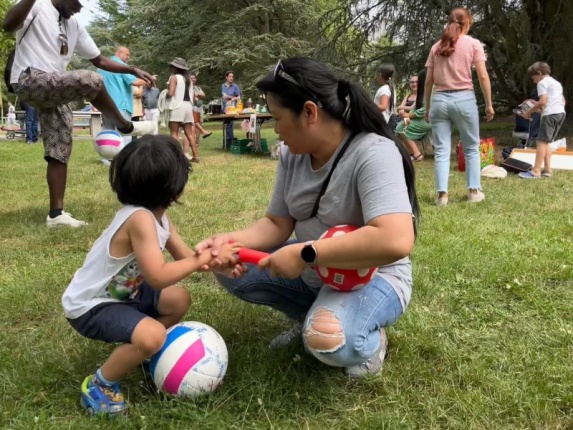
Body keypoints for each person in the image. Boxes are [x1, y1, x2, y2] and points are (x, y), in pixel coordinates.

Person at [195, 57, 419, 378]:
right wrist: (228, 242)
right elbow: (277, 223)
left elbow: (395, 239)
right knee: (230, 269)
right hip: (317, 273)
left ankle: (366, 338)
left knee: (328, 341)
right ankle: (315, 316)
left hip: (371, 278)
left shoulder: (373, 152)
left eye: (278, 118)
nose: (276, 129)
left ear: (310, 113)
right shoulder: (293, 154)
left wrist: (306, 253)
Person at [61, 135, 240, 416]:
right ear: (176, 190)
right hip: (90, 306)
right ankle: (99, 384)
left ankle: (144, 350)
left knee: (178, 300)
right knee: (154, 334)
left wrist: (219, 263)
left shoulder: (158, 217)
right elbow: (157, 276)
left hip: (123, 295)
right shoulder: (139, 220)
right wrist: (204, 258)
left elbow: (186, 259)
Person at [3, 0, 156, 228]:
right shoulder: (36, 6)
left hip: (53, 88)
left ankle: (56, 215)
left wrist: (133, 69)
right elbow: (8, 25)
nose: (79, 8)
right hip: (29, 79)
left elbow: (99, 60)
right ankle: (124, 126)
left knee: (60, 146)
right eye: (76, 3)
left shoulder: (74, 25)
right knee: (90, 80)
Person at [424, 7, 494, 207]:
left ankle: (442, 197)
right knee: (471, 147)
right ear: (468, 22)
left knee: (441, 150)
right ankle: (473, 192)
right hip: (464, 99)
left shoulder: (437, 46)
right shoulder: (473, 44)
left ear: (449, 22)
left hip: (439, 100)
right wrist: (489, 104)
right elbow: (482, 75)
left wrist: (427, 107)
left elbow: (429, 80)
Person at [518, 62, 566, 179]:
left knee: (540, 142)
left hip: (550, 115)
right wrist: (538, 109)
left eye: (533, 77)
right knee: (546, 142)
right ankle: (548, 170)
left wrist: (528, 112)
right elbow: (561, 101)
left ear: (539, 74)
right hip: (560, 113)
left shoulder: (542, 83)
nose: (533, 80)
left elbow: (543, 102)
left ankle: (536, 171)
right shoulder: (556, 83)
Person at [98, 46, 147, 149]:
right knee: (124, 132)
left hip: (105, 104)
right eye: (127, 55)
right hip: (121, 104)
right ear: (119, 53)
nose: (128, 58)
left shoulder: (102, 66)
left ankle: (106, 157)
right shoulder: (121, 66)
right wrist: (148, 80)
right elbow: (135, 81)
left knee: (107, 131)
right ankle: (123, 156)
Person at [165, 57, 199, 162]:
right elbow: (193, 97)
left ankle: (175, 156)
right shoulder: (189, 79)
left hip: (177, 106)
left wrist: (164, 95)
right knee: (189, 133)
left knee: (174, 132)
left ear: (175, 67)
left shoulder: (174, 78)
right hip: (188, 106)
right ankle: (196, 156)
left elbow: (171, 93)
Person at [395, 69, 432, 162]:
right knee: (401, 125)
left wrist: (409, 115)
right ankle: (413, 154)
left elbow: (424, 110)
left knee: (402, 127)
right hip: (419, 119)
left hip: (428, 120)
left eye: (417, 81)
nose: (415, 84)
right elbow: (415, 107)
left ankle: (418, 155)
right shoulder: (421, 91)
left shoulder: (430, 91)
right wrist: (405, 115)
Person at [373, 63, 396, 130]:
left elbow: (383, 107)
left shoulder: (384, 89)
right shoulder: (390, 88)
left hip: (381, 122)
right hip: (386, 121)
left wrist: (368, 104)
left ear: (380, 74)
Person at [221, 70, 241, 149]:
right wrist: (232, 97)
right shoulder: (223, 86)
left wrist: (231, 98)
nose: (231, 78)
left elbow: (239, 97)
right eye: (230, 76)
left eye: (232, 76)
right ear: (226, 77)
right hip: (225, 108)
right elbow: (223, 96)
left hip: (232, 108)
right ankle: (229, 141)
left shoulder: (235, 86)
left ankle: (229, 141)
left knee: (230, 124)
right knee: (226, 124)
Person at [190, 72, 212, 140]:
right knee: (195, 123)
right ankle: (194, 139)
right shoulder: (188, 88)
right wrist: (198, 96)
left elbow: (203, 95)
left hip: (200, 107)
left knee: (200, 122)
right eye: (192, 78)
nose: (193, 79)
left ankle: (197, 140)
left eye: (194, 78)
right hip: (193, 107)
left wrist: (198, 95)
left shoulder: (197, 88)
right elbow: (192, 98)